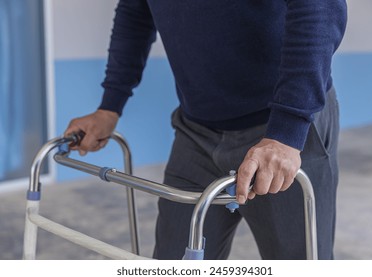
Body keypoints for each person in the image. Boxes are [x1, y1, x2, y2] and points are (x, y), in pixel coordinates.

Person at [65, 0, 347, 260]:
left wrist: (287, 130)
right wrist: (109, 106)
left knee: (299, 263)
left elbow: (319, 8)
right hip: (195, 132)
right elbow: (136, 10)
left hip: (277, 134)